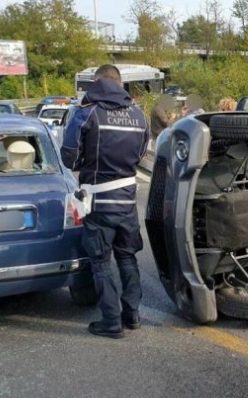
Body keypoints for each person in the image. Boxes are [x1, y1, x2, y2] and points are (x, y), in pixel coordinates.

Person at [61, 64, 150, 339]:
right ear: (120, 83)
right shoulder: (139, 115)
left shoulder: (86, 113)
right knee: (128, 257)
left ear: (97, 82)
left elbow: (69, 158)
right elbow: (142, 154)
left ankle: (111, 322)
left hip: (98, 202)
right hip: (127, 201)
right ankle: (132, 314)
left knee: (101, 262)